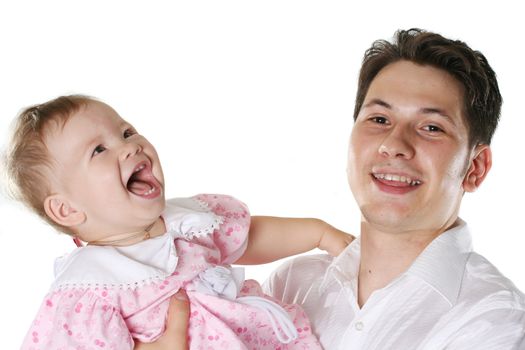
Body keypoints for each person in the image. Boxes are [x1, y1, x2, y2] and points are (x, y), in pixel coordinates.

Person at [6, 95, 353, 349]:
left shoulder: (186, 223)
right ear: (66, 210)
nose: (130, 147)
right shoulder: (90, 290)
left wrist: (320, 233)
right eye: (99, 150)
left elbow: (251, 237)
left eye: (126, 132)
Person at [263, 29, 525, 349]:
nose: (393, 145)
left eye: (431, 127)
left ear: (476, 168)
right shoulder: (291, 285)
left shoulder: (493, 318)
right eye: (379, 119)